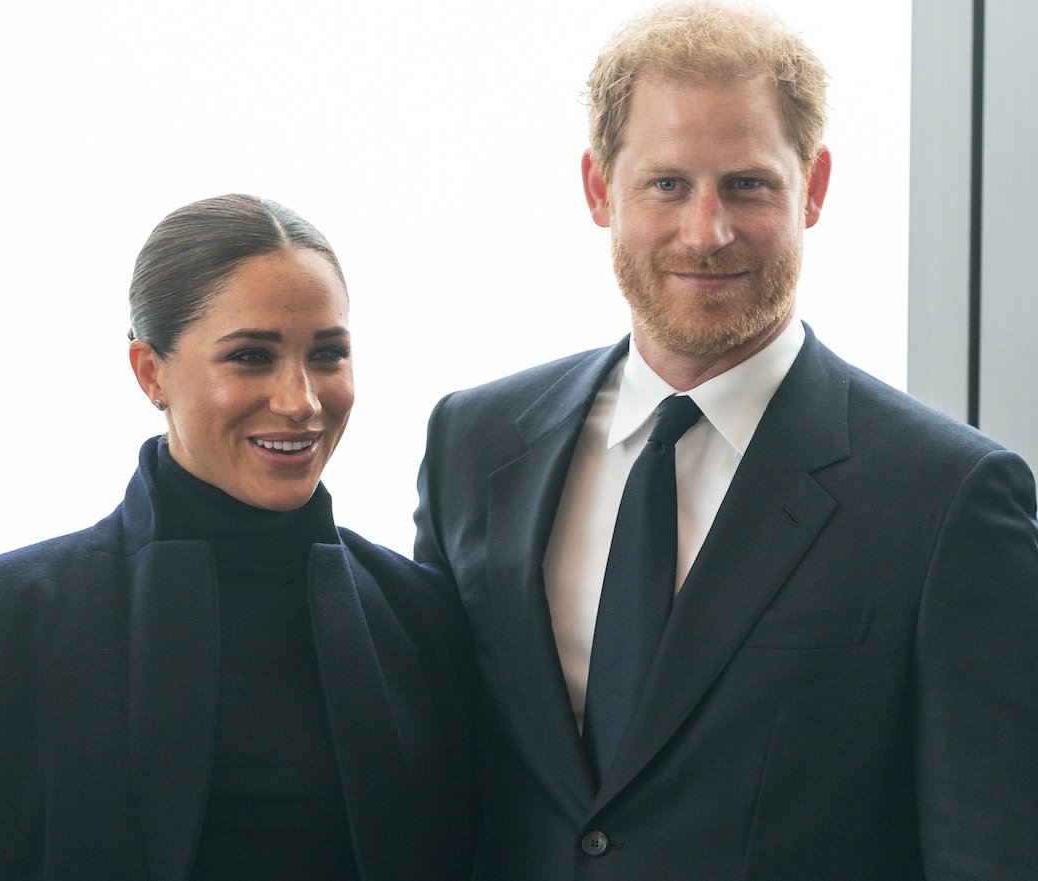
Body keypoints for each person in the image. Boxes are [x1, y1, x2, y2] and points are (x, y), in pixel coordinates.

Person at [414, 3, 1038, 879]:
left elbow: (992, 847)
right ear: (599, 189)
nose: (707, 231)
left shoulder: (949, 498)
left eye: (748, 184)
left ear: (813, 187)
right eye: (666, 183)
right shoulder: (473, 446)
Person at [0, 194, 474, 881]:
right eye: (252, 356)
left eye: (328, 353)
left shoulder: (423, 616)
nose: (301, 399)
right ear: (149, 371)